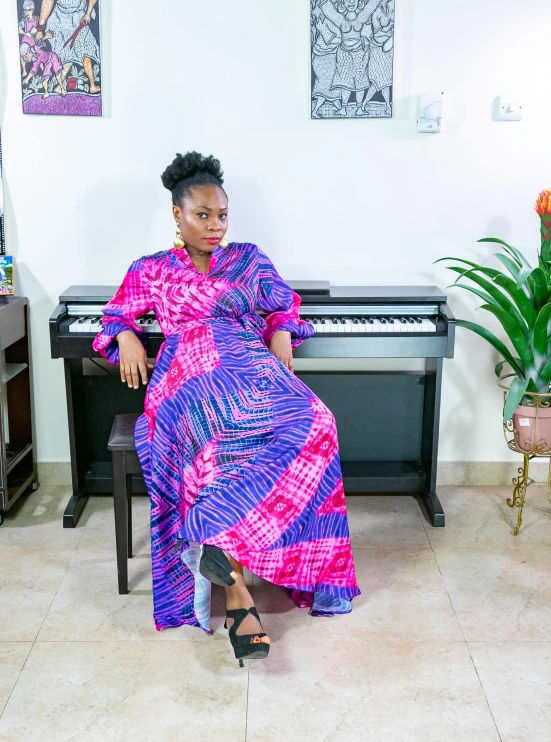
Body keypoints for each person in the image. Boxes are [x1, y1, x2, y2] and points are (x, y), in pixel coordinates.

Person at [93, 152, 360, 665]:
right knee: (217, 440)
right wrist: (126, 333)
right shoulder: (149, 269)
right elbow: (115, 314)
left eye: (222, 216)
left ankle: (272, 555)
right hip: (187, 370)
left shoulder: (250, 259)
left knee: (316, 420)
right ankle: (237, 590)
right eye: (203, 215)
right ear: (177, 215)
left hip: (248, 360)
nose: (215, 226)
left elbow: (284, 303)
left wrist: (280, 329)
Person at [320, 0, 382, 116]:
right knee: (345, 83)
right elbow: (326, 7)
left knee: (360, 82)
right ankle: (343, 109)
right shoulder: (340, 19)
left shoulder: (361, 17)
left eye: (355, 0)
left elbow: (372, 5)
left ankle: (359, 109)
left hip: (360, 53)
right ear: (343, 2)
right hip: (344, 54)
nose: (352, 2)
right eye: (348, 0)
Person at [33, 0, 100, 95]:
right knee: (67, 55)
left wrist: (88, 12)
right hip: (60, 19)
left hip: (79, 17)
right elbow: (48, 2)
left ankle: (92, 85)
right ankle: (61, 86)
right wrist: (40, 29)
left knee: (85, 51)